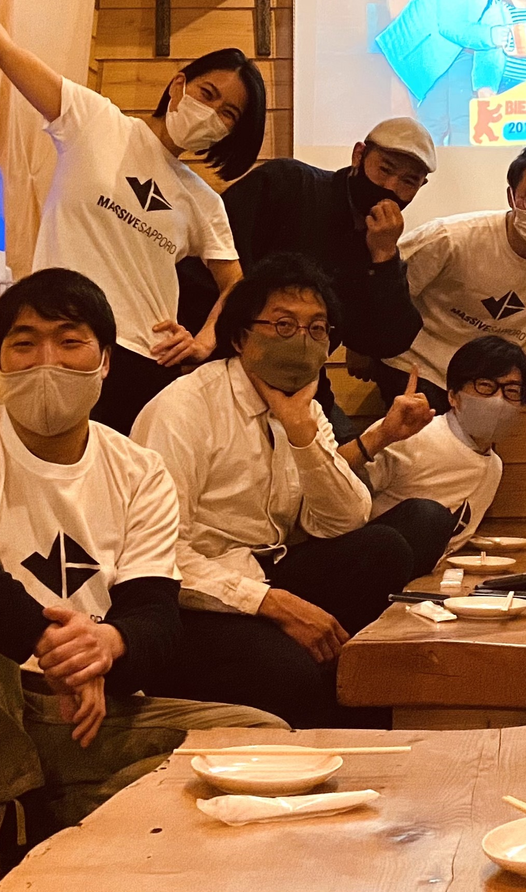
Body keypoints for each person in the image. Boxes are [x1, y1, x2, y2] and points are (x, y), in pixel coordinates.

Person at [0, 269, 279, 856]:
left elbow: (154, 613)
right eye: (24, 343)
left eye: (70, 340)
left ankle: (57, 819)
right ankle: (17, 802)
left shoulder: (139, 471)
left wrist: (107, 645)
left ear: (105, 360)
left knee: (263, 739)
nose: (46, 361)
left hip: (72, 712)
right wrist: (40, 636)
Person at [0, 0, 266, 436]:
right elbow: (2, 50)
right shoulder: (92, 119)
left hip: (148, 363)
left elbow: (237, 286)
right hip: (60, 343)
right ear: (178, 84)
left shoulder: (204, 201)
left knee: (129, 482)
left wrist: (205, 340)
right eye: (208, 94)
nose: (212, 114)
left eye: (228, 115)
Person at [130, 254, 444, 730]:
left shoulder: (305, 405)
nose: (302, 339)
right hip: (191, 601)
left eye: (317, 328)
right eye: (283, 325)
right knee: (291, 673)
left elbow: (342, 521)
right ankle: (330, 705)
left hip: (268, 569)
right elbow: (160, 556)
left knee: (385, 547)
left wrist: (301, 434)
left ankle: (344, 679)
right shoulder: (183, 411)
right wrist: (271, 604)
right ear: (240, 337)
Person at [191, 117, 437, 441]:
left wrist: (384, 256)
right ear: (359, 155)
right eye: (385, 169)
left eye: (408, 181)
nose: (391, 187)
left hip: (302, 382)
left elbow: (385, 340)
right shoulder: (289, 184)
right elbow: (208, 259)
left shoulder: (380, 242)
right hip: (224, 361)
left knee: (346, 467)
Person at [376, 145, 526, 413]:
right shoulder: (450, 237)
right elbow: (386, 291)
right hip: (416, 367)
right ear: (511, 197)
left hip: (487, 384)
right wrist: (361, 350)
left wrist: (520, 378)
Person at [368, 336, 526, 562]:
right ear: (453, 396)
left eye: (512, 391)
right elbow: (343, 502)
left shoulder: (495, 466)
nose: (499, 400)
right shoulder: (408, 436)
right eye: (485, 386)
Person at [375, 0, 520, 144]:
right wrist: (492, 35)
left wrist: (487, 85)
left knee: (459, 121)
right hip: (415, 55)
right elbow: (450, 26)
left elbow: (491, 35)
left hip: (450, 54)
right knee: (430, 124)